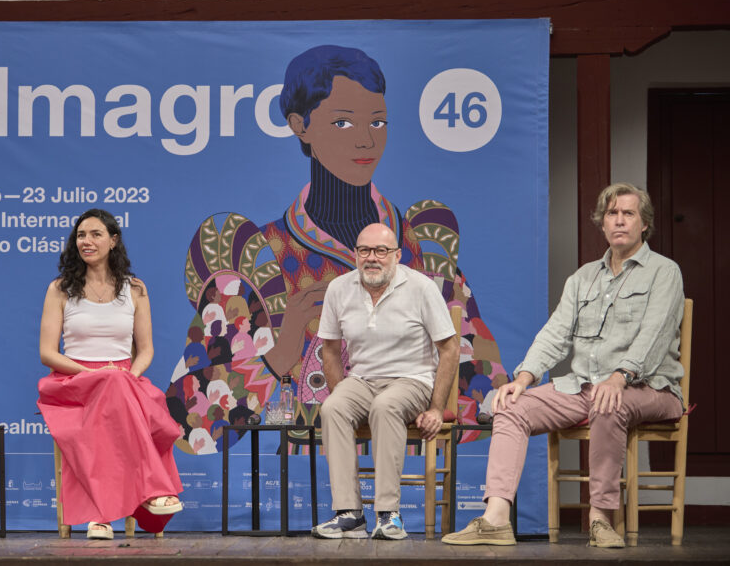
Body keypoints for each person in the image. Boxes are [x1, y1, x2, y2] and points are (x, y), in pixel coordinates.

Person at [166, 44, 506, 456]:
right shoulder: (258, 258)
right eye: (343, 123)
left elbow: (486, 398)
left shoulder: (422, 250)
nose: (366, 140)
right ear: (299, 125)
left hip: (404, 452)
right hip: (300, 473)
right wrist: (283, 347)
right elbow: (188, 423)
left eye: (378, 122)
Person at [442, 183, 685, 549]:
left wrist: (620, 377)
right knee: (511, 406)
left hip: (650, 387)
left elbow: (653, 336)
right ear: (602, 223)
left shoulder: (663, 272)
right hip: (583, 385)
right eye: (612, 213)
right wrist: (522, 379)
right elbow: (555, 334)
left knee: (608, 401)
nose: (619, 220)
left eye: (628, 213)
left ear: (644, 223)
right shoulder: (583, 278)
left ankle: (602, 518)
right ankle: (495, 519)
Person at [36, 209, 184, 540]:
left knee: (118, 389)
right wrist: (99, 374)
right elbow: (48, 352)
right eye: (80, 236)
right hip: (73, 381)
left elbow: (145, 351)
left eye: (95, 234)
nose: (86, 241)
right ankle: (155, 491)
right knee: (114, 385)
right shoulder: (60, 289)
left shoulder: (134, 290)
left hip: (124, 379)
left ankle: (99, 517)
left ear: (113, 240)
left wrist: (128, 375)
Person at [311, 223, 459, 540]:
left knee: (385, 406)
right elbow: (331, 351)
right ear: (355, 255)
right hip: (363, 379)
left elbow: (449, 349)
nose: (372, 258)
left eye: (381, 251)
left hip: (412, 380)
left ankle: (388, 514)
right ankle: (349, 513)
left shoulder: (420, 288)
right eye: (365, 250)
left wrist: (436, 408)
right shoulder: (339, 288)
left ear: (396, 255)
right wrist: (346, 397)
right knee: (334, 407)